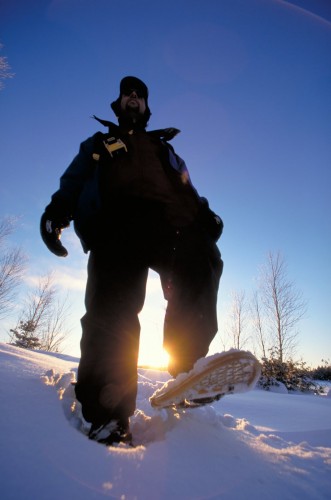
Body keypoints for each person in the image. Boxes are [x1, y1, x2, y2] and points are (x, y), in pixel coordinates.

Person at [40, 76, 224, 445]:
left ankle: (188, 370)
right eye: (128, 93)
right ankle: (107, 412)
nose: (134, 98)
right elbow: (73, 181)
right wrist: (57, 210)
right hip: (116, 224)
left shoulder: (162, 147)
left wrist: (204, 213)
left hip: (169, 226)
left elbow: (185, 186)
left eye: (140, 95)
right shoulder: (99, 143)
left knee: (202, 259)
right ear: (119, 102)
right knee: (113, 308)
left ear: (147, 105)